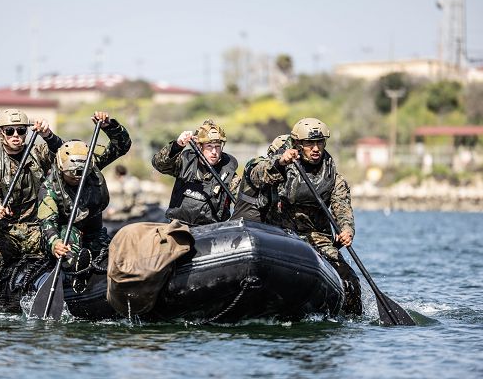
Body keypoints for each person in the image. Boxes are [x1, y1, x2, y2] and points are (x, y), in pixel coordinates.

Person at [250, 118, 363, 315]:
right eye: (309, 144)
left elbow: (342, 208)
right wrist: (280, 162)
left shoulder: (334, 178)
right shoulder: (281, 163)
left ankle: (350, 317)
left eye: (319, 143)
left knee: (350, 282)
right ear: (298, 145)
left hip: (317, 237)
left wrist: (346, 230)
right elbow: (255, 174)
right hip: (278, 234)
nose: (315, 148)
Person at [38, 112, 131, 291]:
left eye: (82, 173)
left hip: (94, 229)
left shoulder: (92, 164)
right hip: (65, 230)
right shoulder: (49, 188)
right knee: (68, 251)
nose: (77, 178)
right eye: (71, 175)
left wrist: (109, 126)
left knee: (112, 252)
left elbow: (122, 145)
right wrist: (55, 243)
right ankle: (74, 272)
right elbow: (47, 221)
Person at [0, 108, 64, 293]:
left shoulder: (38, 152)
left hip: (37, 228)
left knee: (62, 250)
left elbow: (63, 154)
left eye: (21, 130)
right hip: (6, 232)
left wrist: (48, 136)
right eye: (10, 131)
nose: (16, 135)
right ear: (1, 133)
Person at [152, 119, 239, 226]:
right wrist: (177, 146)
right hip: (179, 227)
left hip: (212, 231)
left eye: (217, 146)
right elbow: (159, 164)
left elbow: (241, 201)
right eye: (209, 146)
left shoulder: (228, 172)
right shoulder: (184, 161)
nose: (214, 152)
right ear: (199, 146)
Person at [231, 134, 291, 223]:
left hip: (274, 230)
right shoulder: (256, 165)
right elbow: (262, 170)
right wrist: (279, 162)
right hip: (248, 228)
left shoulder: (292, 176)